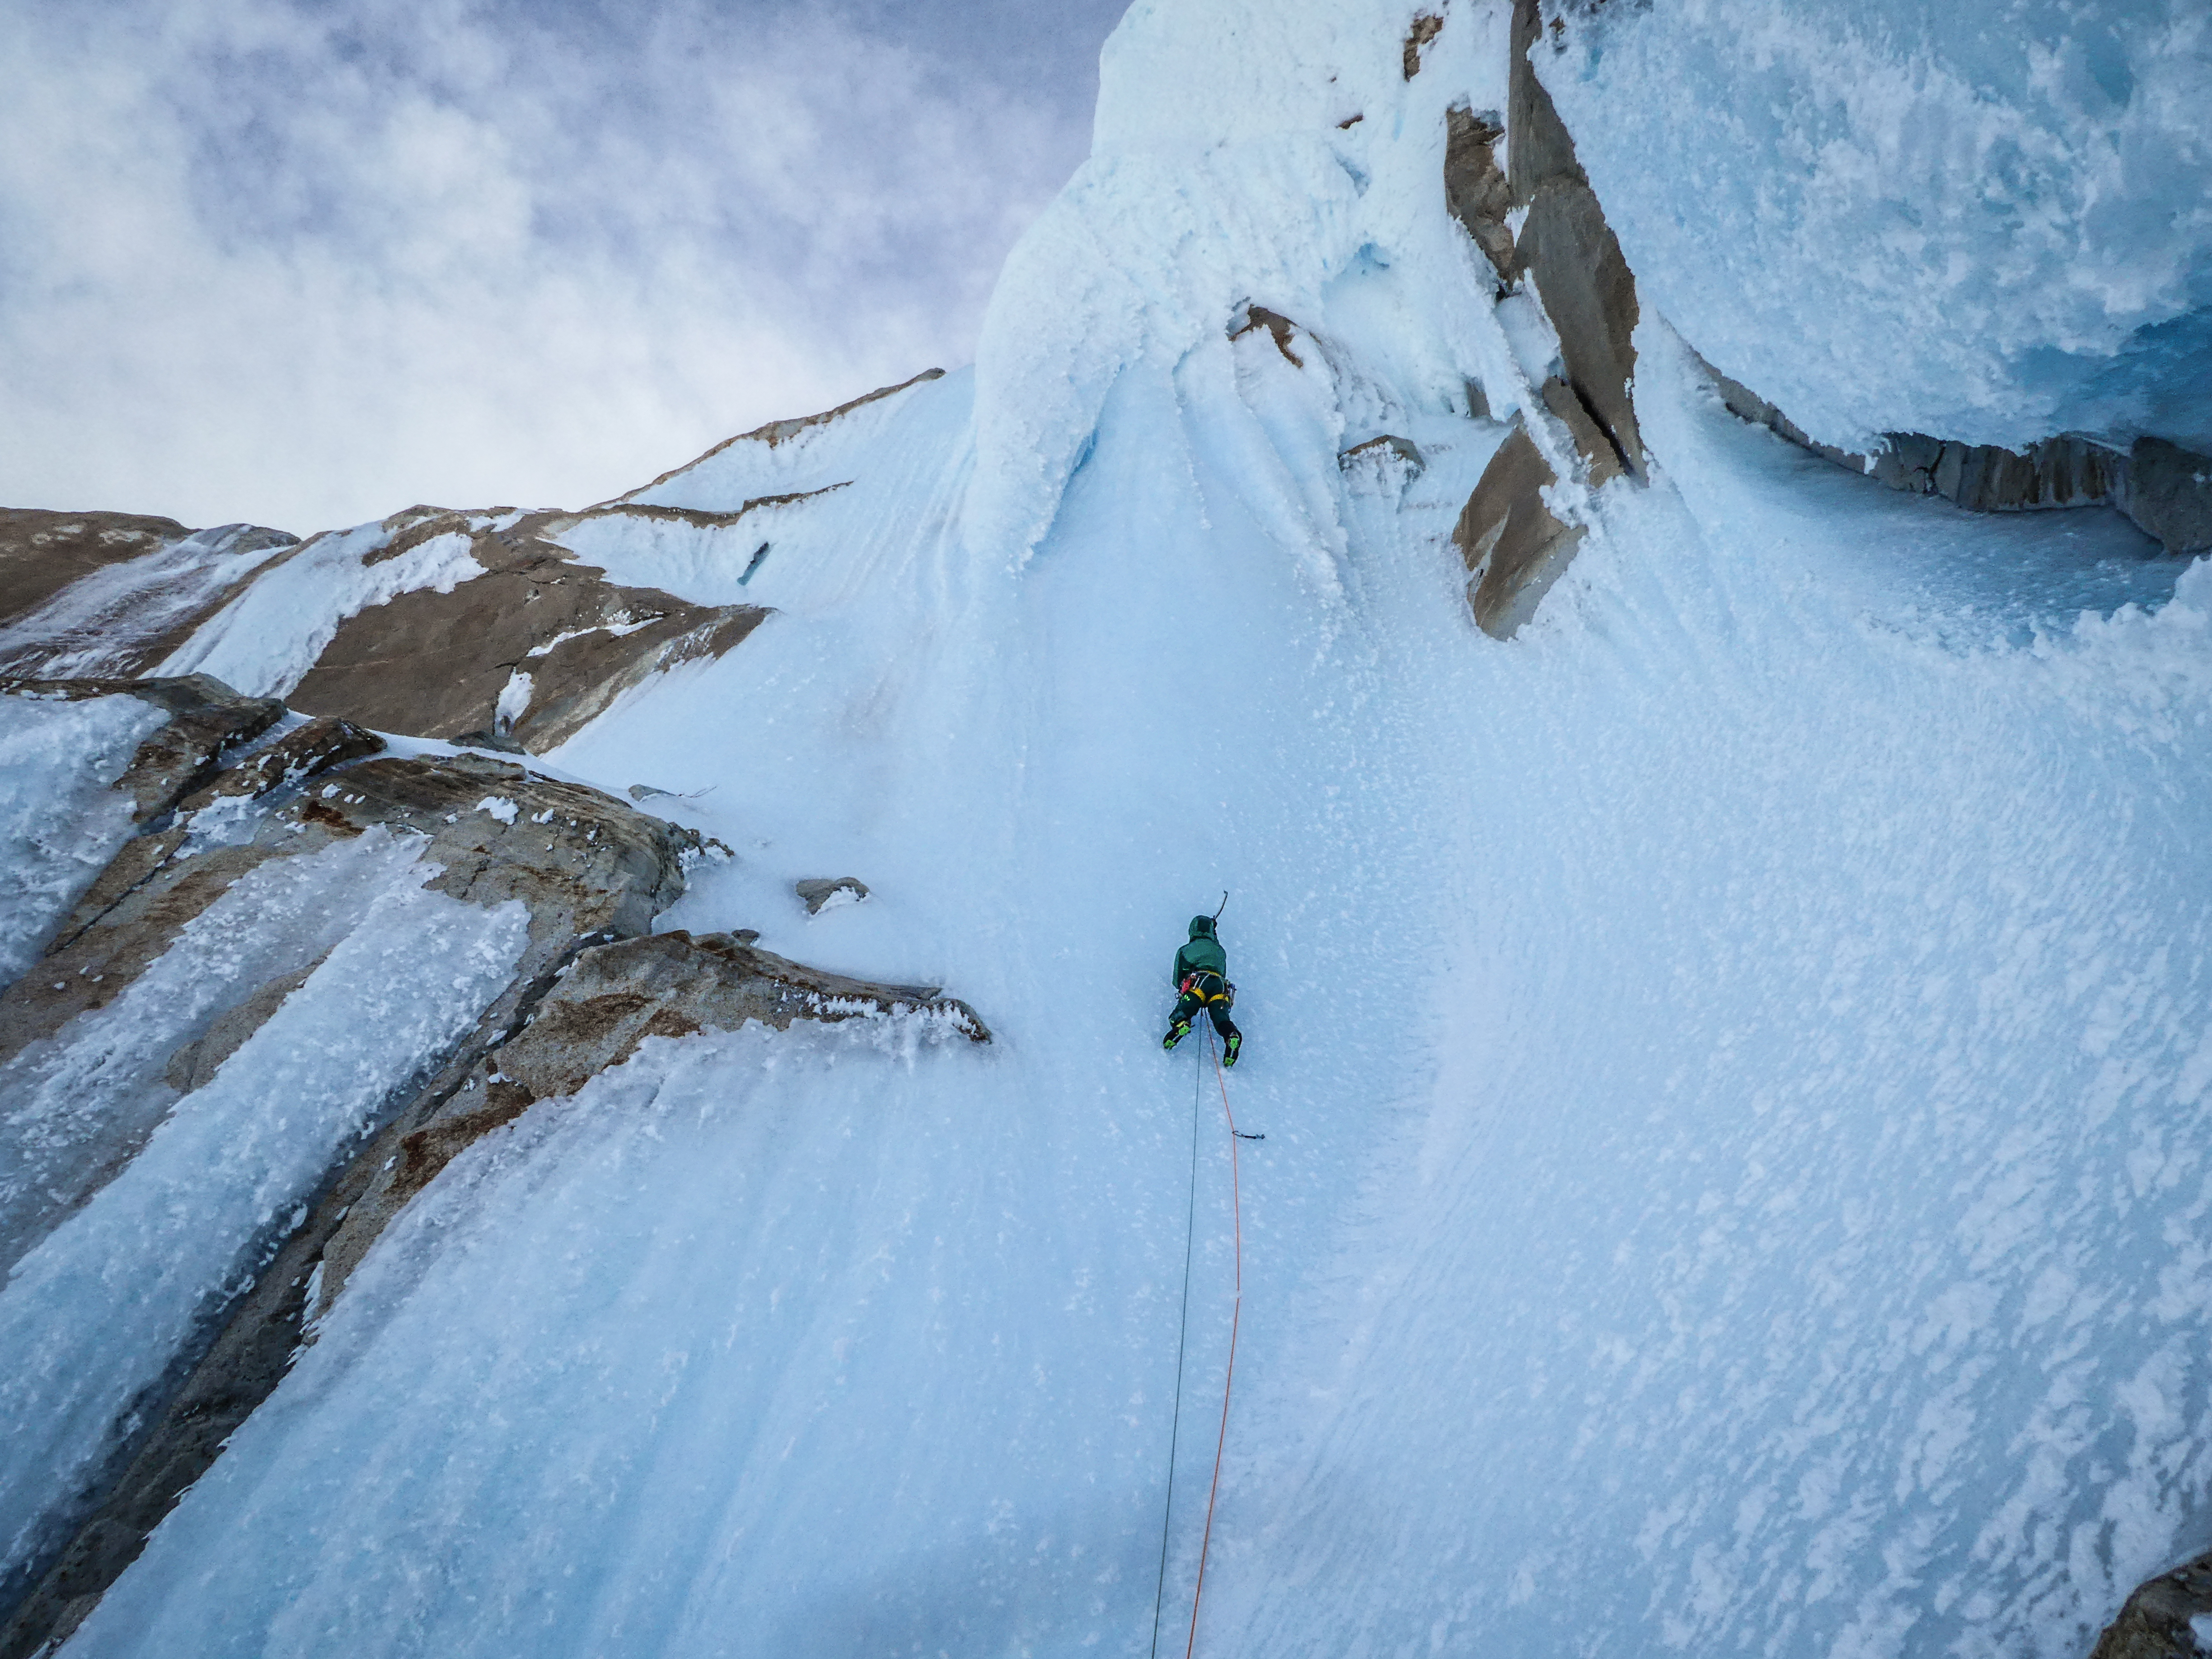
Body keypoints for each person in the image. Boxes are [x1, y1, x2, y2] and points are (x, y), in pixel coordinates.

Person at [1163, 914, 1242, 1065]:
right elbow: (1222, 971)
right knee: (1221, 1018)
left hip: (1198, 982)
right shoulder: (1220, 951)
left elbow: (1177, 979)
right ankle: (1231, 1034)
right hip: (1220, 985)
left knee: (1184, 1010)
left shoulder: (1185, 950)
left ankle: (1181, 1024)